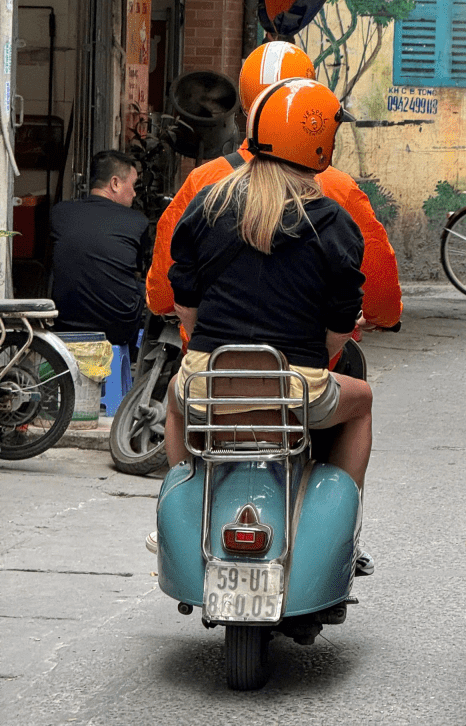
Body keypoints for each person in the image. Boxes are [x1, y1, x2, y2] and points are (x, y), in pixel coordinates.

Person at [149, 79, 375, 572]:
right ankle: (345, 528)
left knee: (174, 396)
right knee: (362, 402)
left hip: (209, 386)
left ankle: (186, 501)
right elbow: (338, 334)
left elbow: (184, 306)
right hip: (296, 391)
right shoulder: (333, 222)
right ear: (320, 143)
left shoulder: (207, 203)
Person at [146, 40, 402, 335]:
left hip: (212, 364)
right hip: (308, 367)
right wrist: (380, 317)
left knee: (179, 382)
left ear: (244, 103)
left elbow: (163, 295)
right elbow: (379, 293)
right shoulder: (338, 188)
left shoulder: (204, 181)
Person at [50, 150, 149, 346]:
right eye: (133, 185)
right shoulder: (137, 222)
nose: (135, 193)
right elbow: (137, 268)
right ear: (115, 183)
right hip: (118, 328)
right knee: (145, 288)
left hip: (64, 324)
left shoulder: (59, 213)